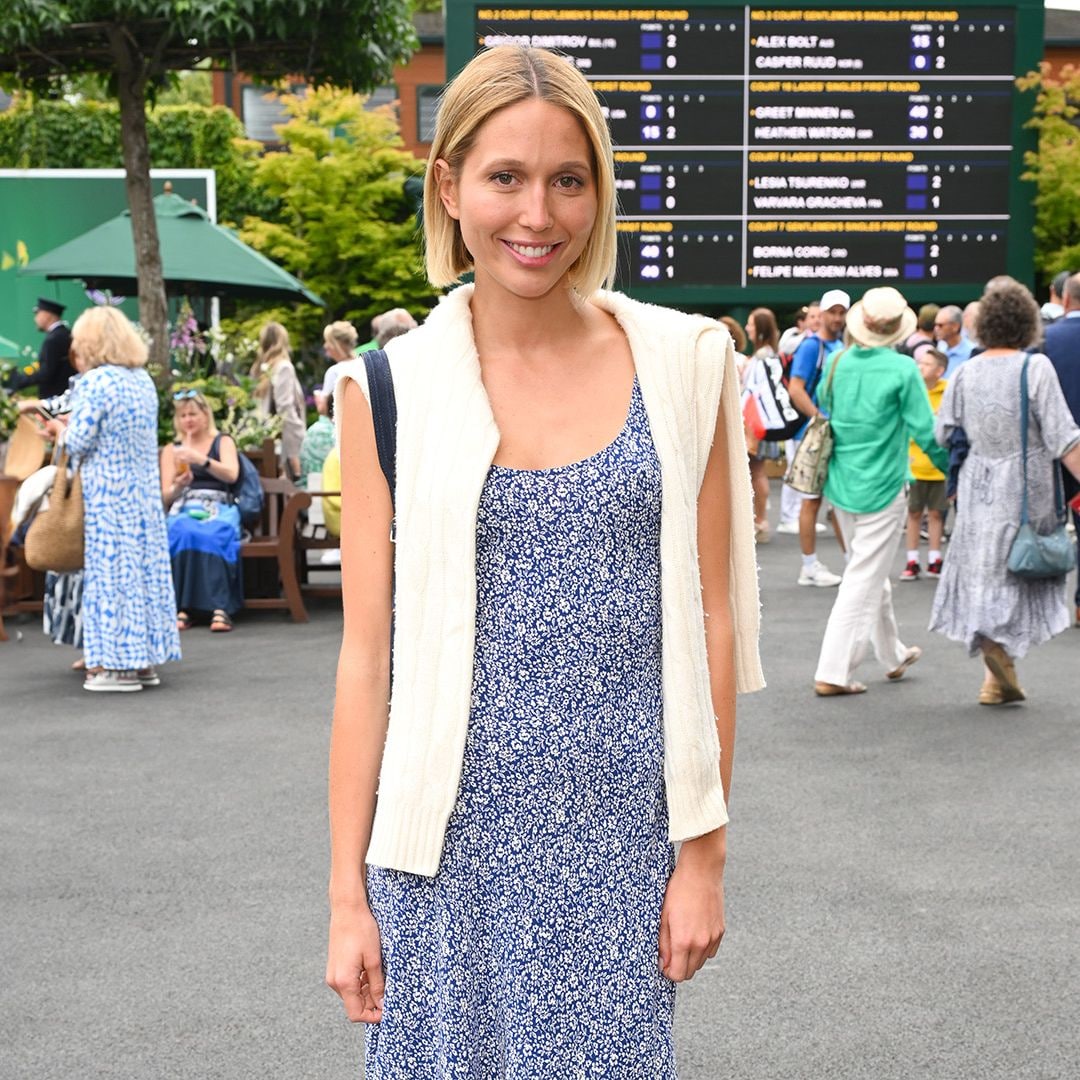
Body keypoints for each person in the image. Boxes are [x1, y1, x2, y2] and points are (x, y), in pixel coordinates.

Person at [325, 45, 764, 1076]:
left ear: (600, 192)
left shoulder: (686, 365)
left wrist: (704, 852)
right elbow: (364, 662)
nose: (538, 214)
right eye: (505, 177)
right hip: (440, 855)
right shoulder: (383, 390)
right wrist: (347, 896)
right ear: (449, 185)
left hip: (620, 847)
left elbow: (711, 622)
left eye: (569, 179)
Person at [930, 280, 1080, 705]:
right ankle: (1000, 660)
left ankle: (995, 673)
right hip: (1026, 484)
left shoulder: (965, 371)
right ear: (1027, 323)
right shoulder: (1036, 369)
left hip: (979, 483)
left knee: (988, 571)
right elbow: (1063, 438)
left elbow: (942, 432)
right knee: (1020, 568)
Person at [812, 287, 949, 696]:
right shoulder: (904, 370)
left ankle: (892, 654)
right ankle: (833, 671)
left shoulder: (836, 362)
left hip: (840, 484)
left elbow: (823, 402)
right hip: (884, 486)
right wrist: (951, 472)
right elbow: (927, 432)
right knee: (862, 579)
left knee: (867, 570)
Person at [41, 307, 180, 692]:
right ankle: (144, 661)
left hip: (107, 497)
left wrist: (57, 430)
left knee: (111, 580)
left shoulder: (96, 382)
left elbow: (80, 440)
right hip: (142, 497)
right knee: (141, 576)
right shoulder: (141, 381)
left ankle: (115, 668)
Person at [161, 390, 242, 633]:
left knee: (211, 533)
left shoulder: (222, 441)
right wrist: (178, 485)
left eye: (193, 414)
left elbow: (232, 474)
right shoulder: (172, 449)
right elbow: (164, 495)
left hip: (219, 504)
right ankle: (182, 607)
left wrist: (202, 460)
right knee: (180, 530)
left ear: (205, 415)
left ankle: (219, 607)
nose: (188, 420)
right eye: (183, 415)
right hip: (184, 504)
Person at [784, 288, 849, 586]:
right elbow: (795, 388)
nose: (837, 317)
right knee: (811, 500)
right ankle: (809, 566)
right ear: (821, 314)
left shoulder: (839, 345)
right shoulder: (812, 347)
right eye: (832, 312)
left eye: (841, 312)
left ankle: (851, 560)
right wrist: (819, 420)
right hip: (814, 434)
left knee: (838, 501)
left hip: (832, 433)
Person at [1041, 270, 1080, 623]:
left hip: (1052, 449)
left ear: (1064, 299)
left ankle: (1049, 608)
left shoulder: (1047, 339)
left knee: (1049, 525)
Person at [900, 345, 949, 581]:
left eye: (927, 364)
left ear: (939, 371)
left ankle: (934, 557)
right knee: (914, 512)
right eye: (919, 363)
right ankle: (911, 559)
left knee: (937, 514)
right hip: (914, 463)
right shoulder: (913, 390)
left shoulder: (948, 392)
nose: (920, 367)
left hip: (938, 466)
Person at [743, 306, 783, 543]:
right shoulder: (767, 356)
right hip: (759, 423)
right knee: (756, 472)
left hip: (755, 424)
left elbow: (754, 392)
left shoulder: (763, 358)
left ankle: (760, 521)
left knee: (756, 472)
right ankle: (759, 520)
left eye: (751, 323)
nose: (748, 327)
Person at [251, 321, 306, 481]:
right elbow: (285, 407)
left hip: (264, 439)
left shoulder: (258, 368)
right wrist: (301, 436)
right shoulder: (284, 367)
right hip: (285, 443)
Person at [4, 298, 76, 399]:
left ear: (47, 315)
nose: (35, 319)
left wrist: (17, 381)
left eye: (37, 314)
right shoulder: (65, 334)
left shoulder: (54, 339)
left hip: (55, 400)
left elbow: (46, 373)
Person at [316, 321, 359, 417]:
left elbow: (324, 408)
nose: (325, 346)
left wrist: (319, 400)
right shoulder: (363, 364)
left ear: (336, 344)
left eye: (328, 341)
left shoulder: (334, 371)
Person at [935, 305, 973, 375]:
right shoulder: (940, 348)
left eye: (940, 325)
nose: (936, 329)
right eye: (935, 325)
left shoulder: (972, 352)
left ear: (955, 326)